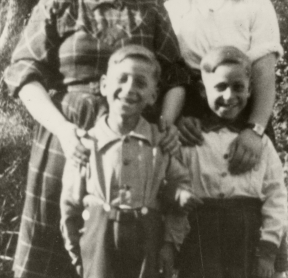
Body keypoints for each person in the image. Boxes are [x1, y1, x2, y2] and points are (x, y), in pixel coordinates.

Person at [4, 0, 190, 277]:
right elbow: (23, 73)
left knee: (124, 255)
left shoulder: (149, 7)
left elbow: (175, 76)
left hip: (134, 145)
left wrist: (165, 126)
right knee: (50, 250)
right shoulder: (56, 4)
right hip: (67, 144)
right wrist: (62, 129)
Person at [60, 45, 191, 278]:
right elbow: (70, 203)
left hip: (147, 239)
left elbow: (181, 195)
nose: (129, 89)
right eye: (122, 79)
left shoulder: (161, 143)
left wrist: (170, 243)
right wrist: (77, 249)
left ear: (153, 95)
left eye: (140, 83)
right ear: (104, 85)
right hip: (98, 238)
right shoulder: (87, 143)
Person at [162, 0, 282, 175]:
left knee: (252, 191)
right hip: (191, 125)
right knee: (189, 193)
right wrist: (177, 119)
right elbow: (169, 77)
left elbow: (264, 75)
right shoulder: (170, 11)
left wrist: (255, 131)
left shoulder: (256, 5)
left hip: (244, 118)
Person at [178, 46, 288, 278]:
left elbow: (275, 196)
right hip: (201, 237)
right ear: (202, 89)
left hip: (246, 237)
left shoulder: (261, 145)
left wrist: (267, 252)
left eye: (238, 87)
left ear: (250, 91)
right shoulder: (191, 141)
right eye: (220, 87)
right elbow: (176, 192)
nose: (229, 96)